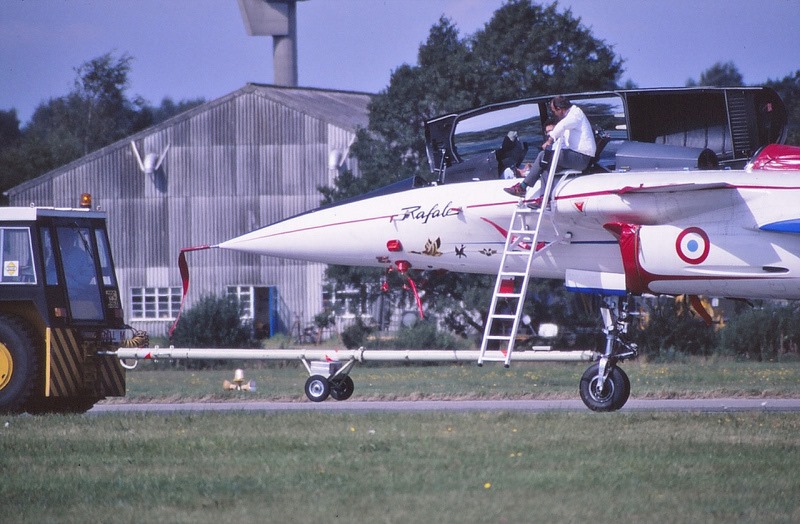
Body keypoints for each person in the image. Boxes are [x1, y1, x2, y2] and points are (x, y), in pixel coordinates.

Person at [504, 96, 596, 202]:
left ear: (559, 109)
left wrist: (549, 140)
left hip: (581, 158)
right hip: (576, 156)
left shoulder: (575, 114)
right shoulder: (572, 117)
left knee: (543, 156)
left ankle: (523, 186)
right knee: (545, 164)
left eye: (553, 111)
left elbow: (562, 125)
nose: (554, 114)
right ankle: (544, 198)